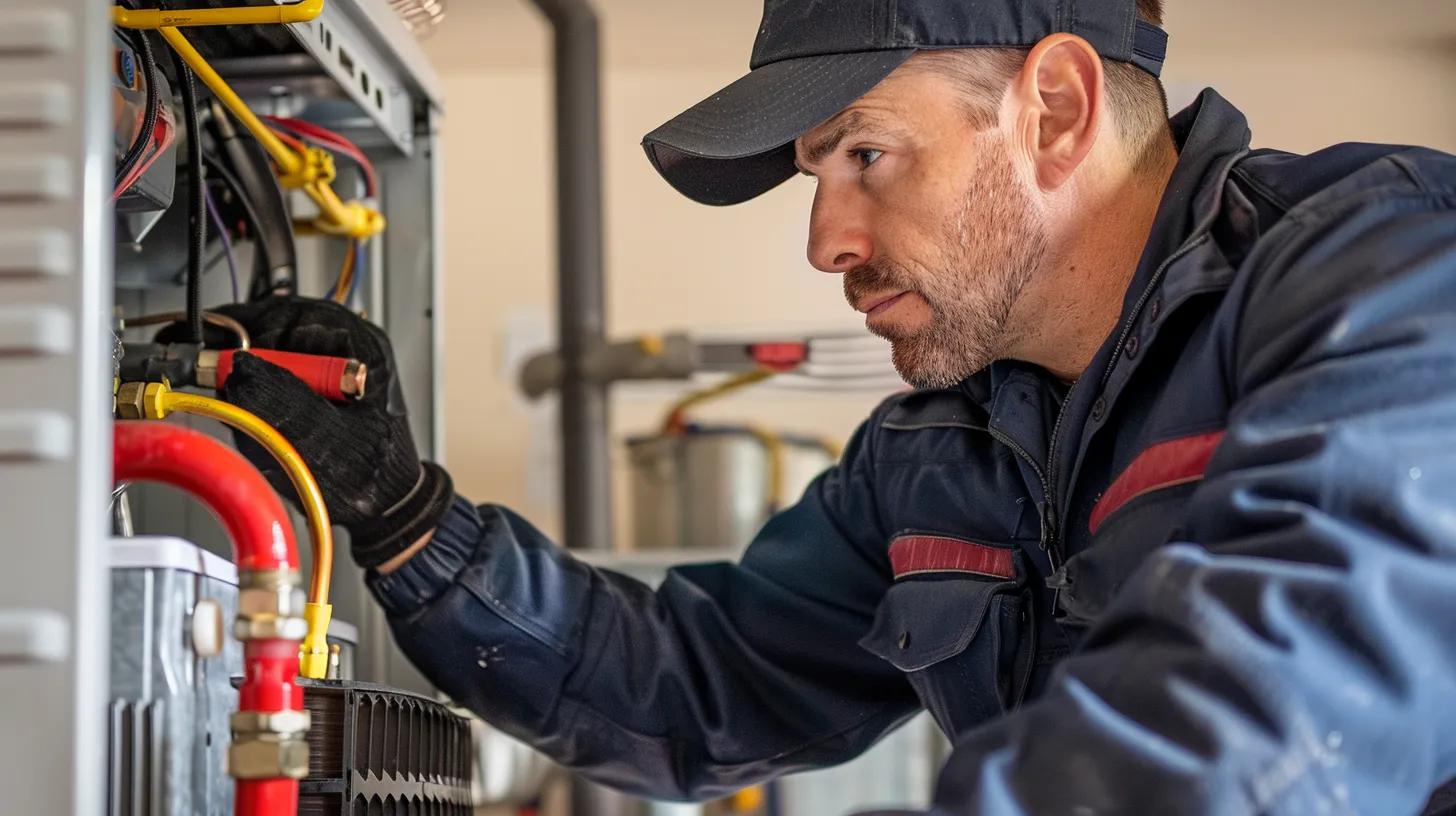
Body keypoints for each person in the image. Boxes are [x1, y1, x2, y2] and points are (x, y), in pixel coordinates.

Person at [215, 0, 1456, 812]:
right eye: (815, 175)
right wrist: (406, 521)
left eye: (864, 153)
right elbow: (704, 687)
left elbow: (1279, 710)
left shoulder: (1389, 280)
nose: (824, 239)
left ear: (1058, 110)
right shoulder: (935, 452)